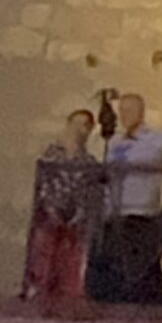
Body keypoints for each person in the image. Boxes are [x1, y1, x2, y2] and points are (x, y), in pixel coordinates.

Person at [86, 95, 162, 307]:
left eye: (130, 110)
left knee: (140, 272)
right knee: (109, 272)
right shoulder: (113, 142)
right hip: (114, 213)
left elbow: (146, 161)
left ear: (141, 112)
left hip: (141, 215)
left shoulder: (155, 138)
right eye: (121, 111)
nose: (125, 116)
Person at [23, 108, 105, 308]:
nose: (79, 130)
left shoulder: (89, 163)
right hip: (49, 222)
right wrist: (52, 211)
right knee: (42, 270)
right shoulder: (49, 156)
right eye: (76, 124)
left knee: (69, 273)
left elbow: (90, 194)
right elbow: (44, 188)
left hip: (75, 227)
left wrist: (78, 215)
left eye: (85, 126)